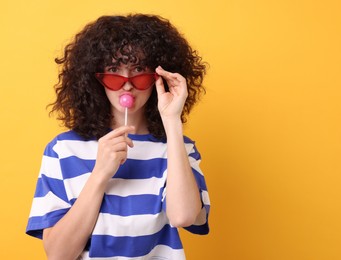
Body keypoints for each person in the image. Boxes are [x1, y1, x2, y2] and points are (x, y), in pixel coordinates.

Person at [26, 14, 210, 260]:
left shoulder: (179, 149)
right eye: (114, 71)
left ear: (158, 76)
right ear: (95, 79)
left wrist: (172, 122)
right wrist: (101, 172)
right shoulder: (63, 150)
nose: (127, 84)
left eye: (139, 70)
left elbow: (184, 216)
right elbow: (58, 254)